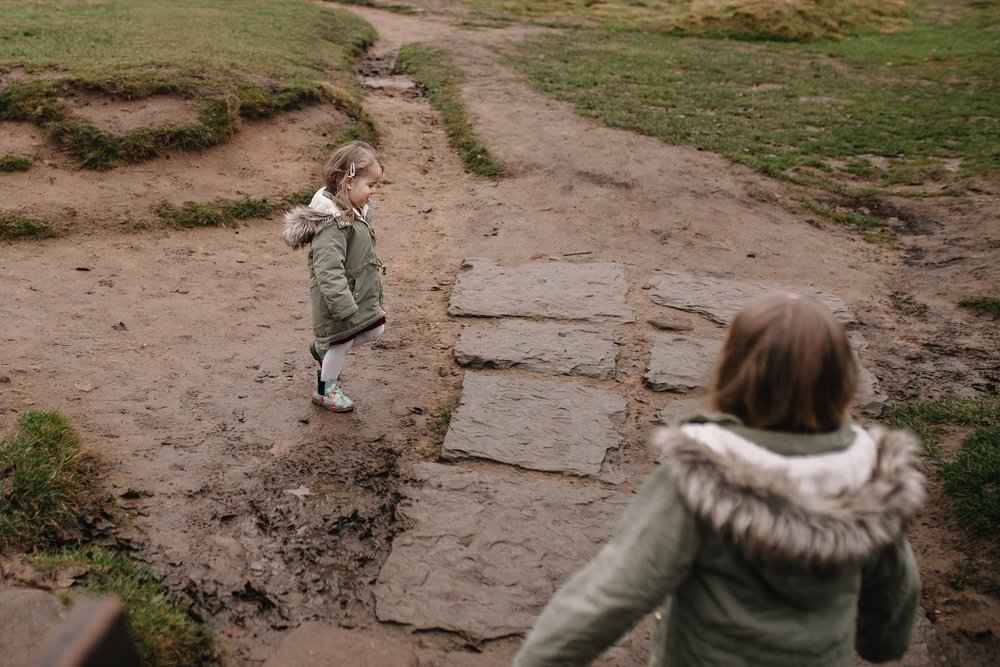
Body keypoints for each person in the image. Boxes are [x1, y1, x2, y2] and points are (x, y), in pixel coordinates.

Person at [514, 292, 926, 667]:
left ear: (733, 371)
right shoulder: (870, 479)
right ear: (843, 380)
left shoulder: (703, 481)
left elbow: (614, 590)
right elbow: (894, 587)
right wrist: (881, 642)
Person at [281, 140, 386, 412]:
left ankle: (323, 347)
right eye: (370, 185)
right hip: (337, 299)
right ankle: (325, 389)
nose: (374, 192)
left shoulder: (355, 211)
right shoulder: (333, 223)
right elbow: (328, 272)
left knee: (376, 328)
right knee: (342, 340)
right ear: (349, 182)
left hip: (356, 290)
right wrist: (342, 306)